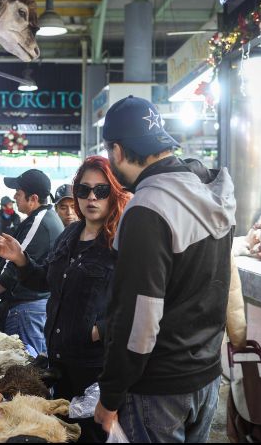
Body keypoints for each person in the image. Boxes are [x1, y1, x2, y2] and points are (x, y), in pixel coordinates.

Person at [93, 96, 236, 443]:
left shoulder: (147, 209)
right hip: (205, 379)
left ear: (117, 151)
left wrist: (110, 396)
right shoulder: (206, 193)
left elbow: (139, 320)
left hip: (159, 390)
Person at [0, 156, 131, 442]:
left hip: (94, 370)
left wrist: (98, 331)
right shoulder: (70, 234)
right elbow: (46, 282)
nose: (91, 197)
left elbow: (138, 303)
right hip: (59, 364)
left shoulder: (120, 241)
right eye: (84, 190)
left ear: (113, 194)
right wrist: (20, 259)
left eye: (101, 191)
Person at [0, 169, 64, 357]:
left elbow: (16, 263)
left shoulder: (40, 221)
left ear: (33, 198)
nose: (14, 196)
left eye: (19, 193)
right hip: (30, 307)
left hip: (27, 310)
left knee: (25, 368)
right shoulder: (39, 218)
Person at [0, 196, 22, 263]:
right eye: (10, 205)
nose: (12, 206)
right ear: (3, 207)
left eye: (12, 204)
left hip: (12, 248)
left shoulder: (16, 217)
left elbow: (18, 232)